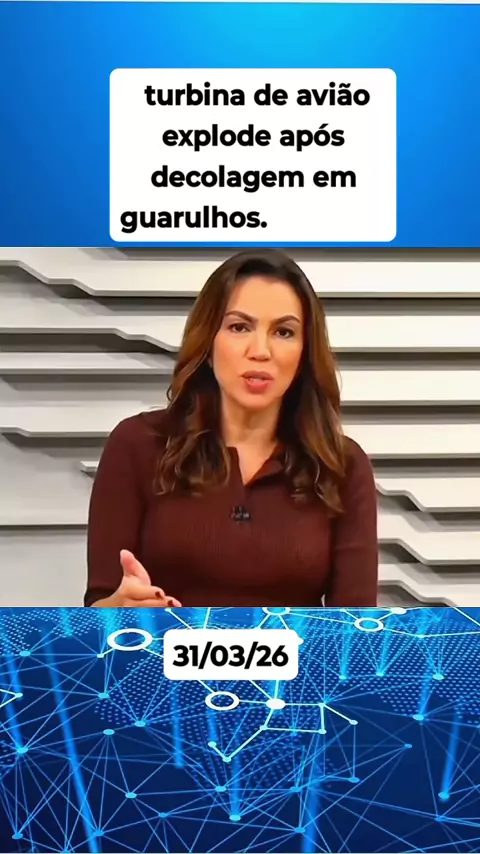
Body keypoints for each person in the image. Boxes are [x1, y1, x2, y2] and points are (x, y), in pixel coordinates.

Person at [85, 249, 378, 609]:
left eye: (284, 332)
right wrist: (118, 612)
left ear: (304, 352)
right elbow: (98, 609)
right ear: (208, 342)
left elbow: (355, 628)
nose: (261, 351)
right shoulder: (137, 445)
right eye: (239, 327)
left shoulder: (342, 465)